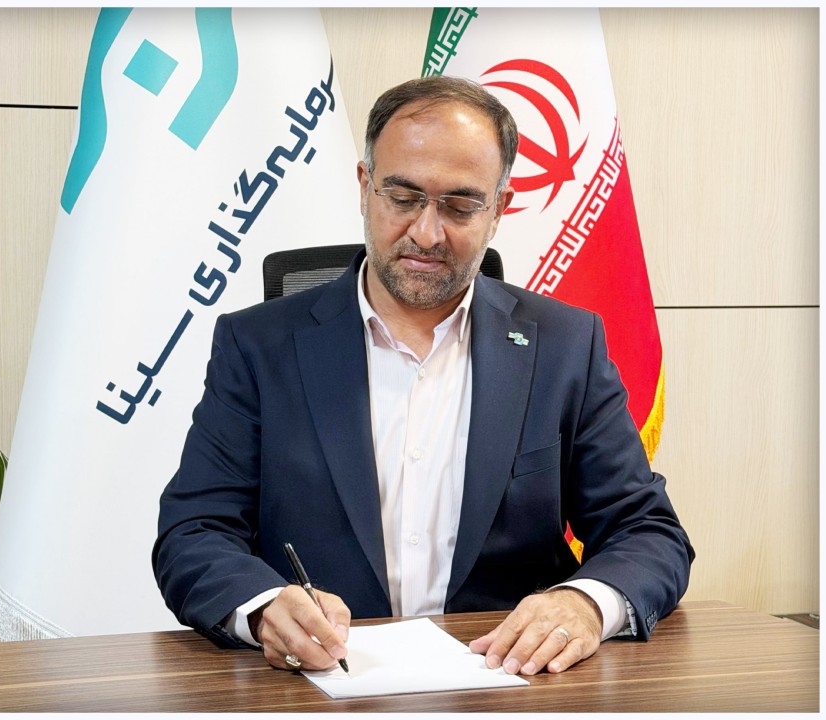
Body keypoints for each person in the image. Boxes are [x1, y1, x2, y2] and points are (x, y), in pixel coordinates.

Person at [153, 76, 693, 677]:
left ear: (499, 209)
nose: (427, 233)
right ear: (365, 187)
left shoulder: (565, 345)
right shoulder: (257, 347)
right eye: (403, 197)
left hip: (507, 683)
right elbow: (193, 532)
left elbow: (647, 531)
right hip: (318, 686)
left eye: (460, 206)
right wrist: (262, 608)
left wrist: (586, 604)